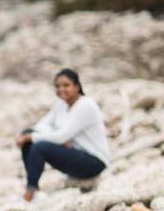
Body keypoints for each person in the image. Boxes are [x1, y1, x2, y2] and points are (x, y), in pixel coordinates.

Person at [16, 69, 110, 201]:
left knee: (38, 145)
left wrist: (59, 138)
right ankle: (34, 189)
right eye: (58, 86)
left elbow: (62, 135)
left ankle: (30, 192)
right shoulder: (61, 105)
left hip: (94, 162)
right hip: (74, 153)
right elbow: (40, 127)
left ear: (77, 87)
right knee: (28, 134)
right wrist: (58, 139)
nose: (61, 89)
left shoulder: (86, 105)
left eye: (66, 85)